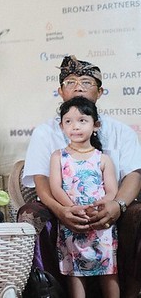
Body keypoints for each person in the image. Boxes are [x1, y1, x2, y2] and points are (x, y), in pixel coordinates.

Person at [19, 56, 141, 297]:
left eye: (86, 81)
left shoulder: (121, 131)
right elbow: (42, 181)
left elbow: (134, 176)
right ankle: (49, 291)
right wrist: (60, 209)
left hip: (109, 211)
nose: (78, 87)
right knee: (30, 213)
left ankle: (133, 291)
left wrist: (117, 205)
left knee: (139, 213)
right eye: (71, 82)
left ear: (100, 91)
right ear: (60, 91)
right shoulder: (45, 132)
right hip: (62, 210)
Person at [50, 96, 119, 298]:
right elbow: (55, 187)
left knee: (108, 269)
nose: (75, 126)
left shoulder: (103, 158)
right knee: (75, 270)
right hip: (73, 221)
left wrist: (100, 206)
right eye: (68, 121)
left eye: (82, 120)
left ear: (95, 125)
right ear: (61, 127)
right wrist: (73, 208)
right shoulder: (58, 156)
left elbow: (112, 191)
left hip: (100, 222)